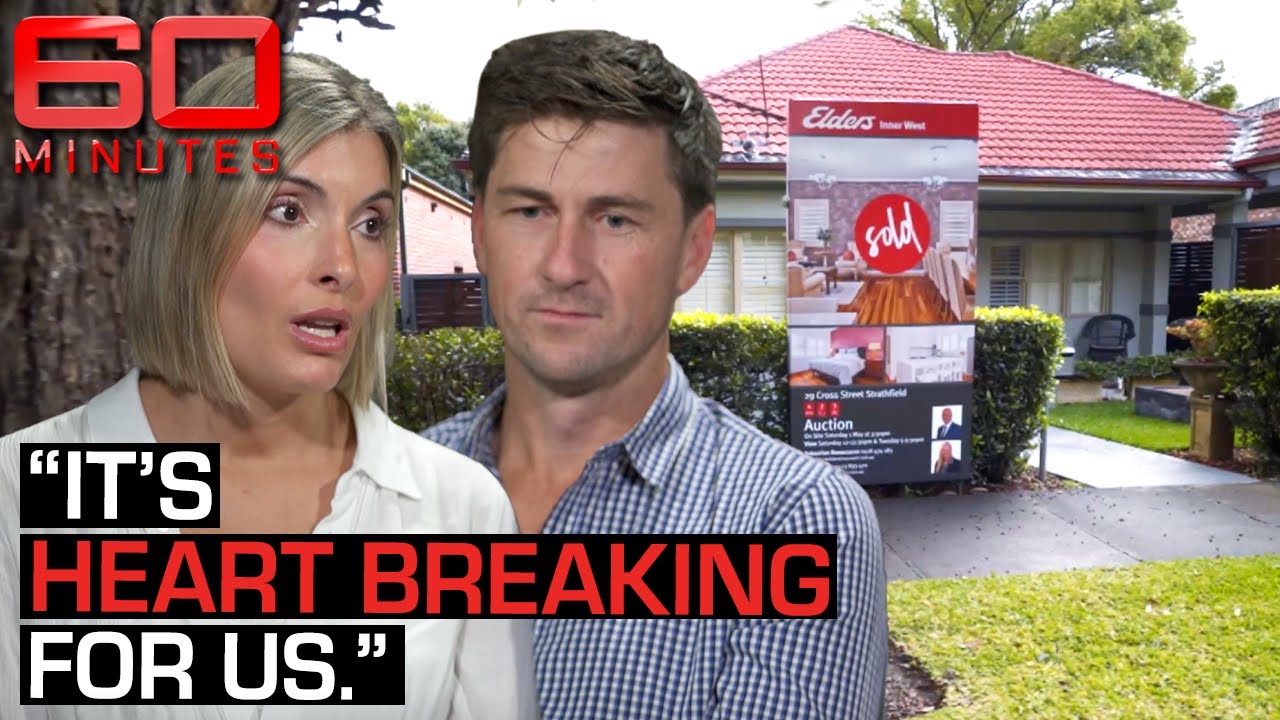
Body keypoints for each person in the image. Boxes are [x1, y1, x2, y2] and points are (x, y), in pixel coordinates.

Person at [0, 52, 536, 720]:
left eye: (370, 224)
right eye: (288, 210)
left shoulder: (463, 511)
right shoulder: (17, 498)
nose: (343, 265)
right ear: (188, 230)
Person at [423, 29, 888, 719]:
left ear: (692, 251)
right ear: (480, 234)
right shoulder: (384, 490)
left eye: (615, 219)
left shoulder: (793, 526)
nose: (564, 265)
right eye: (530, 211)